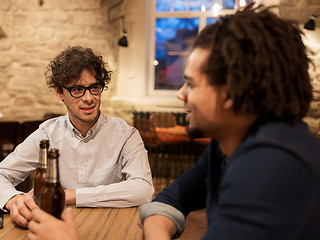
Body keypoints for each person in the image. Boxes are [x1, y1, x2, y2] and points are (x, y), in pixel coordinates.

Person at [26, 4, 320, 240]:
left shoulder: (275, 170)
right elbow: (168, 198)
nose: (180, 94)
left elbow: (146, 194)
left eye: (191, 83)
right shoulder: (224, 148)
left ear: (232, 92)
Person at [0, 46, 154, 228]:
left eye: (94, 87)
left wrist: (68, 195)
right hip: (57, 228)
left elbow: (143, 189)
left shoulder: (126, 135)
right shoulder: (47, 134)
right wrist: (13, 200)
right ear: (59, 92)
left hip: (108, 226)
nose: (88, 98)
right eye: (77, 90)